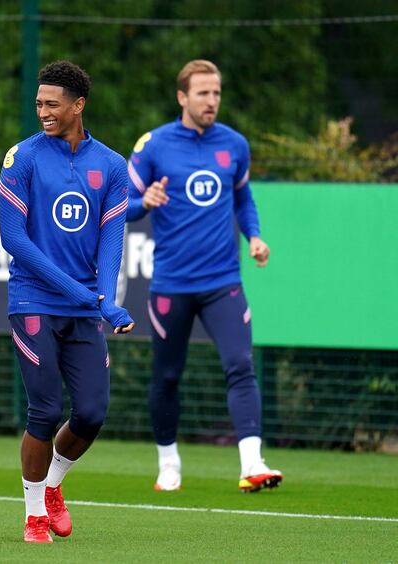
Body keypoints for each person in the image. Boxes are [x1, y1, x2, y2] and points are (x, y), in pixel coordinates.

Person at [126, 59, 282, 493]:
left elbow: (243, 200)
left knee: (240, 365)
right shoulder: (153, 145)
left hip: (223, 282)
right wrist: (146, 201)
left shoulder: (234, 145)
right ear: (182, 97)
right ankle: (168, 462)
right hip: (171, 285)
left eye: (216, 93)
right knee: (168, 377)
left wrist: (254, 236)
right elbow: (121, 204)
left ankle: (252, 463)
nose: (211, 101)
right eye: (202, 93)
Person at [0, 61, 135, 544]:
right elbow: (15, 239)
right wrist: (85, 294)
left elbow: (111, 242)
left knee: (93, 412)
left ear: (78, 106)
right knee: (45, 409)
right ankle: (34, 513)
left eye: (52, 104)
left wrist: (106, 298)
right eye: (38, 104)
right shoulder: (22, 158)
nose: (43, 112)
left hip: (83, 309)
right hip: (32, 300)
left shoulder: (113, 166)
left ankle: (53, 485)